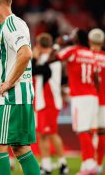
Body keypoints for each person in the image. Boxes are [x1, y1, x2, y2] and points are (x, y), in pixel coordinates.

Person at [0, 0, 40, 175]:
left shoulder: (9, 24)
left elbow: (25, 54)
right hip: (23, 96)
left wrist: (8, 82)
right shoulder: (19, 23)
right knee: (21, 148)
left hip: (12, 97)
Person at [56, 29, 99, 175]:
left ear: (76, 38)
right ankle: (90, 163)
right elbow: (97, 77)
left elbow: (55, 58)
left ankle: (89, 165)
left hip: (80, 97)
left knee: (82, 131)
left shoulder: (72, 50)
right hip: (93, 95)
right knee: (89, 131)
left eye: (73, 34)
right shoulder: (92, 54)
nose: (71, 35)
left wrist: (58, 44)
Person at [32, 33, 68, 174]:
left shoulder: (48, 59)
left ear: (39, 45)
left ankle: (63, 164)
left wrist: (35, 57)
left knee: (51, 134)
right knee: (43, 134)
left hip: (48, 101)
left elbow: (34, 70)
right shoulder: (53, 58)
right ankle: (47, 164)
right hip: (45, 101)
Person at [88, 28, 105, 173]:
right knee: (102, 132)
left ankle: (89, 163)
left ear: (89, 41)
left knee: (89, 132)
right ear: (103, 42)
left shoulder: (86, 55)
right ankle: (98, 165)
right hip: (104, 100)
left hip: (88, 99)